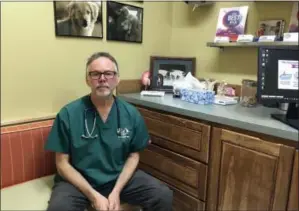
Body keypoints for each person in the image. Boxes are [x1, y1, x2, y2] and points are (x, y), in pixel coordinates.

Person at [44, 52, 173, 211]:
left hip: (119, 179)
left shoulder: (130, 113)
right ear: (87, 80)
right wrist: (93, 195)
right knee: (59, 208)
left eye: (108, 73)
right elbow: (61, 163)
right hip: (78, 182)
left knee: (162, 195)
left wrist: (116, 191)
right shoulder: (68, 114)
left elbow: (134, 155)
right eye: (95, 74)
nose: (102, 78)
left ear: (117, 79)